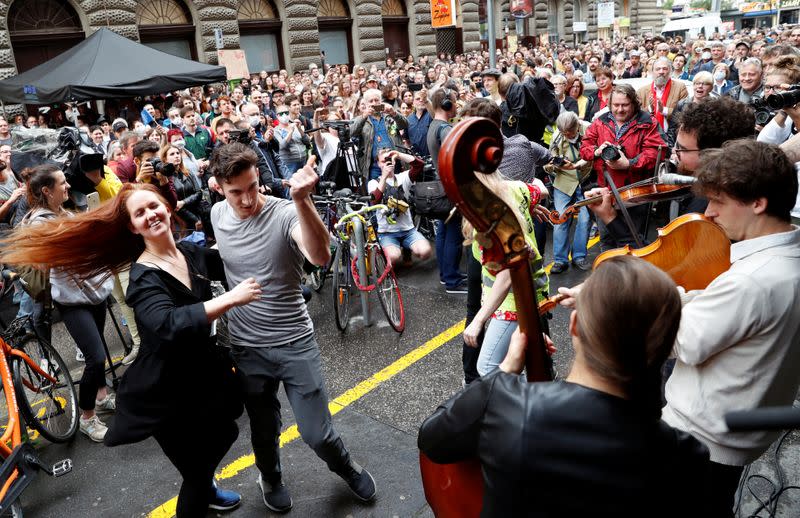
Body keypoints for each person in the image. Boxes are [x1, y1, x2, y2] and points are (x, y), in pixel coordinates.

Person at [1, 182, 259, 515]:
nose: (150, 215)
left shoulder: (191, 253)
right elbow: (166, 323)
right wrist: (229, 299)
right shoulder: (142, 277)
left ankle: (206, 488)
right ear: (132, 226)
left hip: (202, 379)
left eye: (154, 206)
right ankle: (200, 493)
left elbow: (238, 261)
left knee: (222, 432)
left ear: (167, 207)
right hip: (164, 393)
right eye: (140, 213)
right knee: (196, 471)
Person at [420, 256, 710, 517]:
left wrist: (505, 370)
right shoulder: (687, 457)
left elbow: (432, 439)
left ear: (574, 326)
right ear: (665, 347)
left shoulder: (503, 404)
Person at [209, 144, 377, 513]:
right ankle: (269, 476)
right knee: (263, 430)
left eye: (252, 187)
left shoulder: (285, 213)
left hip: (295, 342)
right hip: (247, 347)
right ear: (219, 186)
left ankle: (346, 465)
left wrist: (302, 201)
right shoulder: (216, 215)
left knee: (317, 433)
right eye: (236, 191)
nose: (248, 199)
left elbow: (320, 257)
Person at [659, 140, 800, 517]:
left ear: (758, 203)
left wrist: (642, 297)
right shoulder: (785, 262)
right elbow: (721, 315)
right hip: (735, 432)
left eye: (719, 201)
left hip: (700, 438)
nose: (709, 213)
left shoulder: (752, 281)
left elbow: (681, 341)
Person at [15, 165, 117, 442]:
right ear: (46, 191)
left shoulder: (66, 212)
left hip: (92, 291)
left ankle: (102, 397)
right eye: (62, 183)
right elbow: (40, 259)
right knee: (94, 358)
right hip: (71, 300)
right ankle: (87, 418)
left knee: (99, 352)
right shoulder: (38, 222)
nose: (68, 186)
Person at [580, 84, 665, 250]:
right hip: (606, 192)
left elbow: (657, 153)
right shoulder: (600, 121)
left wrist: (630, 163)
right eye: (615, 105)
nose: (619, 110)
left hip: (635, 195)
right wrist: (596, 151)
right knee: (607, 241)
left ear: (634, 103)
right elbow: (584, 147)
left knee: (631, 241)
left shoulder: (648, 123)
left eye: (624, 105)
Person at [427, 85, 467, 294]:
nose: (456, 105)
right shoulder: (444, 128)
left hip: (441, 186)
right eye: (453, 101)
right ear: (446, 104)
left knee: (443, 232)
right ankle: (452, 280)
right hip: (450, 187)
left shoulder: (434, 125)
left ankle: (447, 275)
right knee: (453, 234)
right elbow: (456, 157)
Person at [367, 148, 432, 267]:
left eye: (389, 160)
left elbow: (420, 165)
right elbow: (374, 201)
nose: (387, 163)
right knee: (393, 258)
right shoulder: (373, 182)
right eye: (383, 161)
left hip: (408, 230)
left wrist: (399, 155)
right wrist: (384, 177)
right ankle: (393, 251)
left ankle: (407, 250)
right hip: (387, 233)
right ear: (378, 164)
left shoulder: (403, 177)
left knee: (426, 252)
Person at [547, 111, 593, 273]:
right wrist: (557, 164)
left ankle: (579, 256)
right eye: (564, 133)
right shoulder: (557, 137)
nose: (567, 136)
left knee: (585, 219)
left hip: (585, 179)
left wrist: (577, 164)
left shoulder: (589, 129)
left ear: (577, 126)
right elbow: (552, 160)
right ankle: (560, 260)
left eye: (570, 133)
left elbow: (595, 152)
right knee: (560, 219)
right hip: (564, 181)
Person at [351, 88, 408, 184]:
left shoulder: (389, 115)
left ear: (381, 101)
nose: (374, 103)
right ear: (365, 104)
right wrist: (364, 116)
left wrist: (394, 113)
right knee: (377, 193)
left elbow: (405, 125)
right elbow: (352, 132)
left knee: (397, 190)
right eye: (371, 101)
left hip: (395, 163)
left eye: (376, 100)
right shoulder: (361, 119)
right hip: (374, 167)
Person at [637, 57, 689, 134]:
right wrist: (650, 108)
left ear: (670, 71)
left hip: (672, 136)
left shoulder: (680, 88)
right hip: (647, 135)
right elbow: (636, 116)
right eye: (658, 69)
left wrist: (664, 110)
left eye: (665, 69)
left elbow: (685, 114)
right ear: (652, 72)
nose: (661, 72)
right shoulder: (642, 91)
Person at [666, 71, 714, 147]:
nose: (700, 86)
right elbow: (672, 129)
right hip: (682, 148)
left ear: (711, 88)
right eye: (697, 83)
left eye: (705, 84)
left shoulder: (715, 106)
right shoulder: (681, 104)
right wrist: (671, 149)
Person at [407, 90, 432, 157]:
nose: (421, 100)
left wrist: (427, 100)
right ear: (413, 102)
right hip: (416, 158)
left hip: (432, 157)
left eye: (423, 98)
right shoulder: (409, 119)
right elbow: (407, 140)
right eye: (418, 99)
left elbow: (434, 114)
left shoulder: (431, 115)